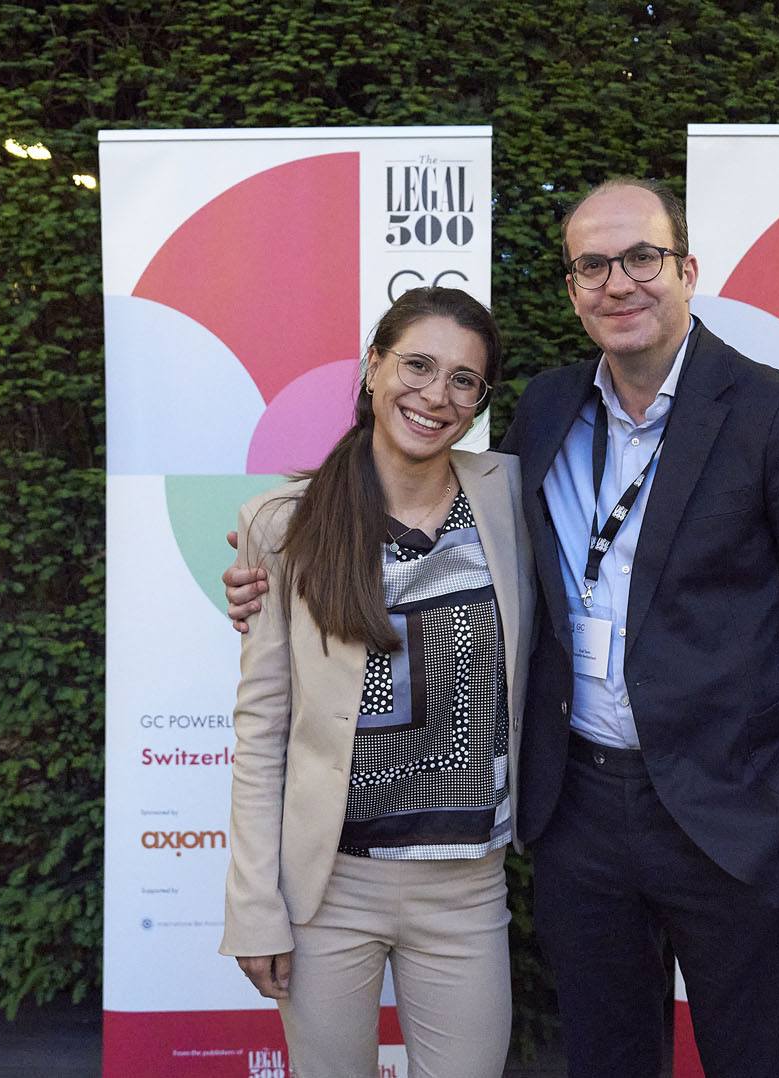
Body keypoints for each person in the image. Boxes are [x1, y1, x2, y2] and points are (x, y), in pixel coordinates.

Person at [227, 179, 779, 1078]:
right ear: (572, 289)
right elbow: (404, 525)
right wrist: (267, 572)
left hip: (732, 816)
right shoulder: (547, 411)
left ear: (687, 271)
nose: (618, 282)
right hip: (578, 816)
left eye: (642, 258)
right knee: (606, 1059)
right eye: (593, 265)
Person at [218, 286, 533, 1078]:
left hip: (467, 888)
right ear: (372, 367)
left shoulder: (513, 497)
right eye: (417, 365)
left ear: (481, 400)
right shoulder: (283, 524)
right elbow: (262, 731)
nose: (436, 395)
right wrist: (253, 906)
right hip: (328, 889)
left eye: (463, 379)